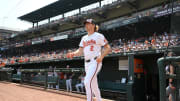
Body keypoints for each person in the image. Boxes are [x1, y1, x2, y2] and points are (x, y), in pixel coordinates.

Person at [67, 19, 111, 101]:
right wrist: (73, 53)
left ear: (93, 25)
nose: (86, 25)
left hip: (95, 61)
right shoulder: (84, 38)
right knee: (94, 85)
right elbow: (80, 51)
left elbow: (108, 48)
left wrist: (101, 57)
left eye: (88, 24)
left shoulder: (99, 35)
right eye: (85, 24)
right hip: (86, 63)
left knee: (87, 82)